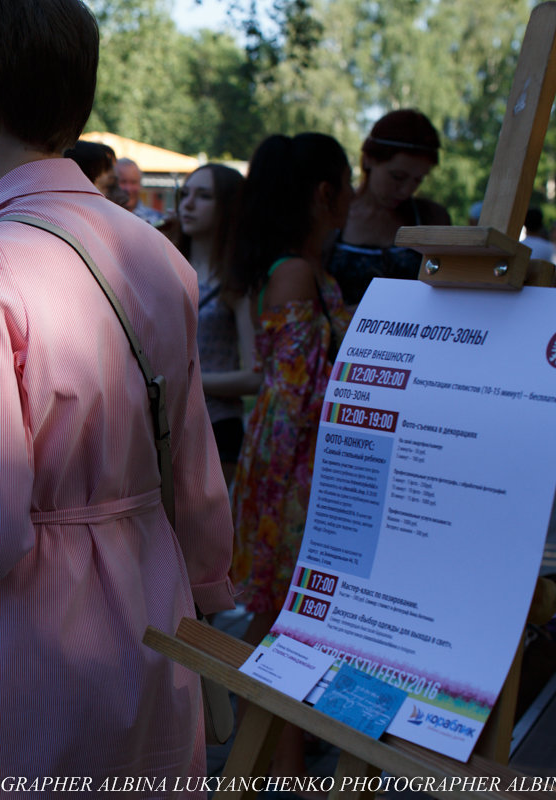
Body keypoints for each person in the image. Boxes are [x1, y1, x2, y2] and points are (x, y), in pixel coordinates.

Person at [0, 0, 234, 790]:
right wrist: (205, 593)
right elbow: (195, 480)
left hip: (16, 656)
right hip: (150, 622)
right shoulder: (158, 258)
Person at [228, 132, 353, 778]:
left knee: (279, 619)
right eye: (347, 183)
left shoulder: (289, 269)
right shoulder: (299, 273)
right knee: (284, 622)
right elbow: (293, 398)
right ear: (325, 194)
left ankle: (272, 761)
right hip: (294, 477)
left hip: (281, 472)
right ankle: (283, 766)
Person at [173, 163, 259, 484]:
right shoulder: (162, 267)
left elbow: (256, 375)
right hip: (159, 420)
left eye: (204, 195)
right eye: (186, 193)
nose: (188, 204)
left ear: (229, 207)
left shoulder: (238, 285)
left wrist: (190, 379)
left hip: (216, 426)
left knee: (204, 532)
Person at [326, 108, 450, 306]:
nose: (406, 190)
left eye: (418, 180)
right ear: (368, 159)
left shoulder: (430, 218)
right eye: (397, 177)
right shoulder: (335, 215)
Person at [117, 156, 163, 226]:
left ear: (140, 185)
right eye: (123, 182)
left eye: (133, 182)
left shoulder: (158, 220)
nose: (128, 189)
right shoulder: (102, 217)